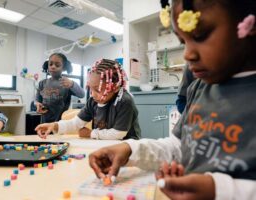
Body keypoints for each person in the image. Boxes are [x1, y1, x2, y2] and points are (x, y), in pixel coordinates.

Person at [89, 0, 256, 199]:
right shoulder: (198, 88)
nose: (188, 54)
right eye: (183, 42)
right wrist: (130, 150)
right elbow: (178, 146)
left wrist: (220, 190)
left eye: (200, 36)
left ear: (250, 23)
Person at [35, 59, 141, 140]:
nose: (93, 95)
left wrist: (90, 133)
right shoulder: (93, 101)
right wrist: (54, 125)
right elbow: (75, 123)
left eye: (98, 90)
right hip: (104, 144)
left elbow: (118, 133)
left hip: (127, 146)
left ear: (115, 87)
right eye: (90, 88)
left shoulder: (125, 101)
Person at [35, 53, 85, 123]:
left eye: (57, 65)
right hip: (44, 123)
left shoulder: (67, 83)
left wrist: (72, 84)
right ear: (47, 65)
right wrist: (38, 105)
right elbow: (37, 100)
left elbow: (82, 94)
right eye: (50, 64)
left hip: (61, 124)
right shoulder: (42, 83)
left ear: (64, 68)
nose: (53, 67)